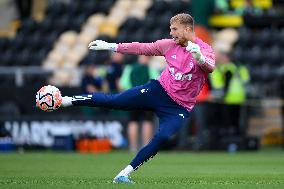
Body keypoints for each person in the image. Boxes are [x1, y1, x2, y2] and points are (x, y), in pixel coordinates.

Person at [60, 13, 215, 184]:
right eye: (170, 29)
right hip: (159, 91)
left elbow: (210, 67)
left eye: (174, 29)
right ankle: (65, 100)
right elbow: (141, 48)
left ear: (187, 29)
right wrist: (112, 46)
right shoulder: (168, 45)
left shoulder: (204, 49)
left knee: (163, 137)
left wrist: (199, 57)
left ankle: (124, 174)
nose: (171, 33)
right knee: (114, 101)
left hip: (179, 107)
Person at [120, 55, 159, 152]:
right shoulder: (150, 69)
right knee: (147, 122)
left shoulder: (129, 68)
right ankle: (146, 147)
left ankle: (133, 147)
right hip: (146, 99)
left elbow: (123, 84)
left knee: (133, 121)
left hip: (132, 98)